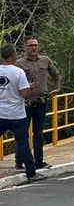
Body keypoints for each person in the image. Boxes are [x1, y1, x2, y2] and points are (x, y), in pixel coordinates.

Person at [15, 36, 61, 171]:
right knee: (22, 133)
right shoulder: (19, 64)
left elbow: (56, 74)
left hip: (41, 102)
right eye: (30, 45)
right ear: (25, 47)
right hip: (25, 103)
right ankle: (19, 162)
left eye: (35, 45)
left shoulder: (45, 60)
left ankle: (39, 161)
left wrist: (57, 88)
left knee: (39, 133)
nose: (33, 48)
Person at [0, 44, 42, 182]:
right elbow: (24, 94)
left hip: (1, 114)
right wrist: (28, 87)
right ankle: (31, 173)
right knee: (23, 144)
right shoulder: (18, 72)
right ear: (13, 56)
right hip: (17, 115)